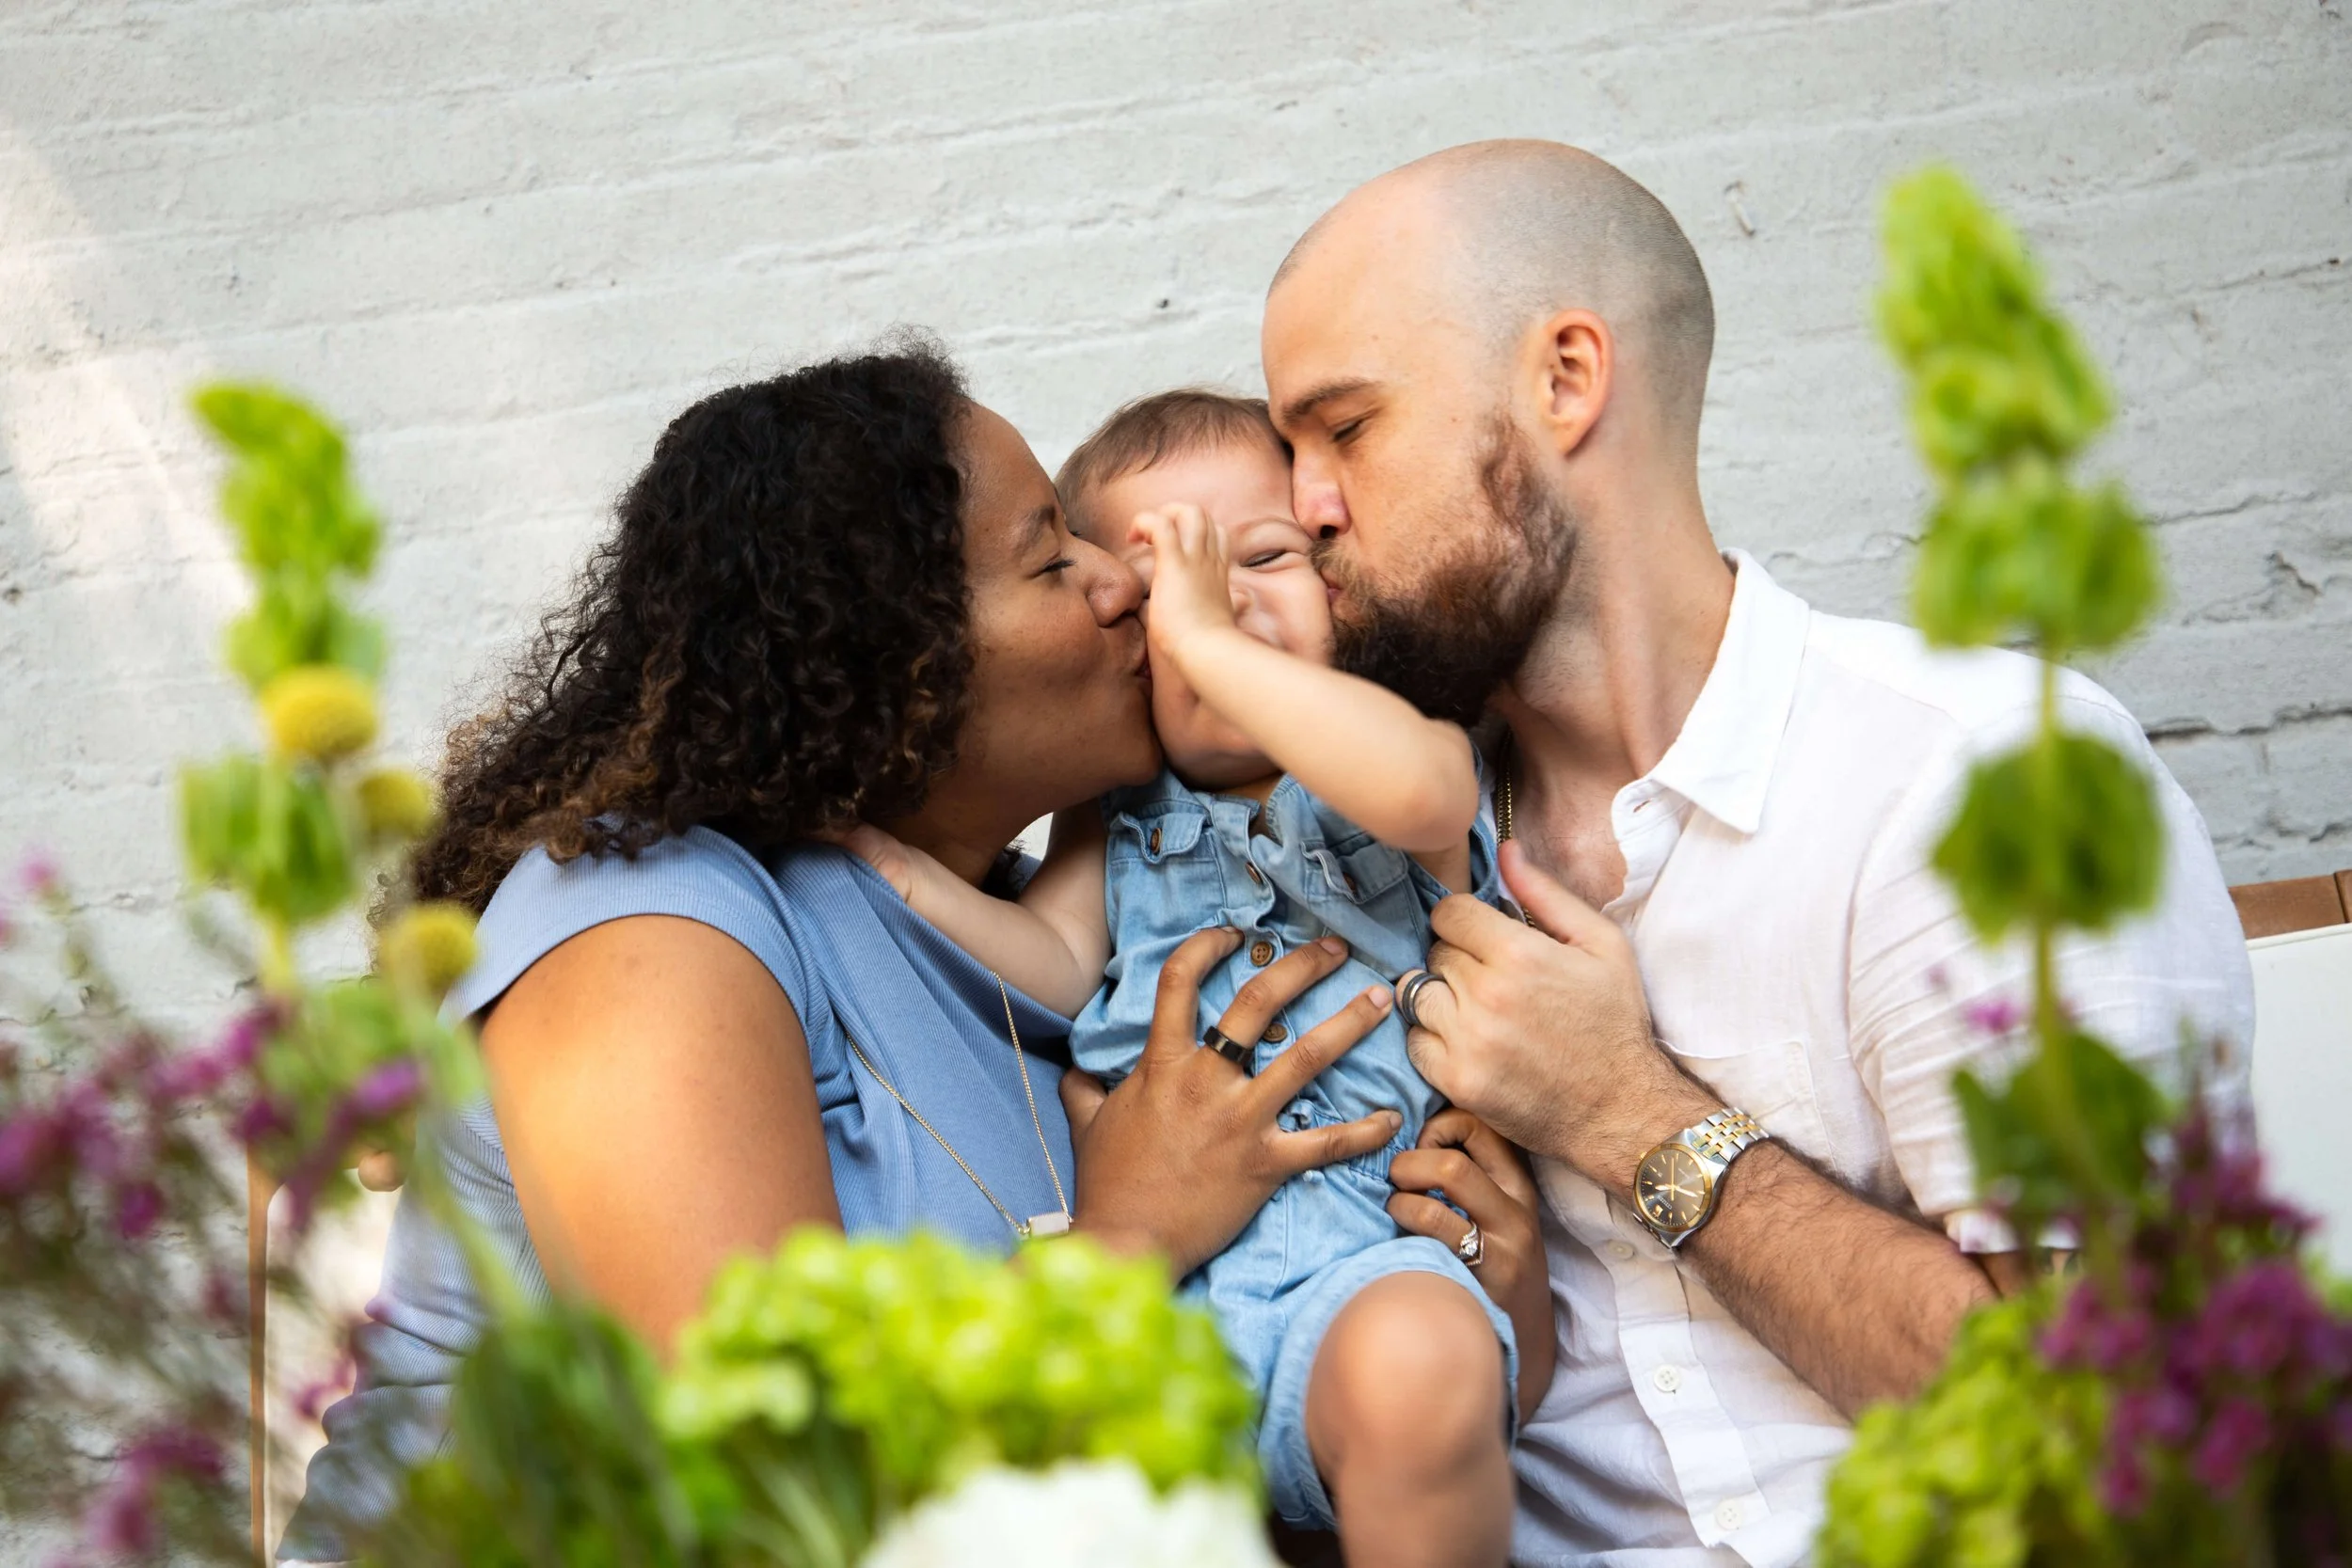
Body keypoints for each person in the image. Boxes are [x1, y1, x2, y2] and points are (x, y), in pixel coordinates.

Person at [278, 344, 1549, 1562]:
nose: (1127, 583)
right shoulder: (644, 921)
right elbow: (770, 1497)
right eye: (1052, 557)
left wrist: (1489, 1317)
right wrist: (1127, 1234)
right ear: (895, 663)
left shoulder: (1084, 952)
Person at [1260, 142, 2255, 1565]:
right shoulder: (1354, 858)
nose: (1305, 506)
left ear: (1566, 380)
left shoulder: (1975, 781)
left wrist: (1624, 1110)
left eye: (1344, 427)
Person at [845, 389, 1553, 1568]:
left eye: (1264, 557)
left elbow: (1431, 796)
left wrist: (1214, 642)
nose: (1217, 600)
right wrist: (905, 880)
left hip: (1364, 1271)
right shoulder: (1111, 818)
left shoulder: (1391, 759)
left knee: (1420, 1372)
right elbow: (1060, 966)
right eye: (1167, 593)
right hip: (1164, 1313)